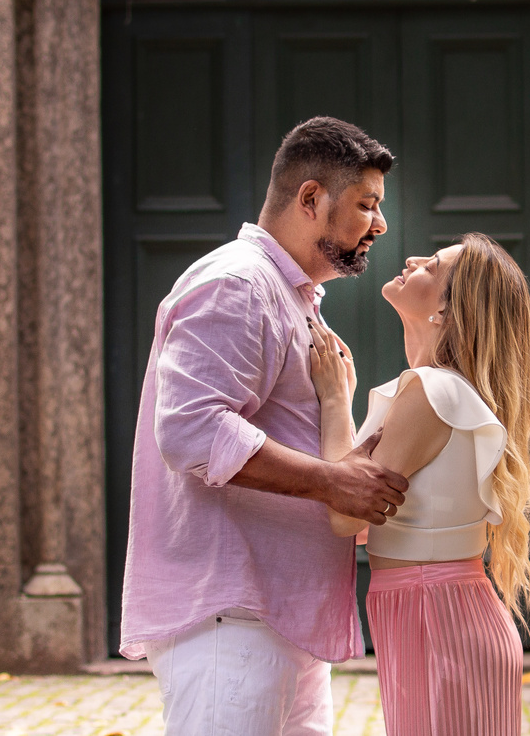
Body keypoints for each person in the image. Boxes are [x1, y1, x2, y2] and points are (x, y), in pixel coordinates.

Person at [120, 116, 409, 736]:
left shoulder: (289, 295)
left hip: (277, 617)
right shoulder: (238, 285)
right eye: (366, 205)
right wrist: (332, 483)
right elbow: (192, 431)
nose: (379, 225)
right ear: (311, 199)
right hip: (233, 617)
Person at [309, 233, 530, 736]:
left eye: (433, 265)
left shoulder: (432, 391)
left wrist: (336, 402)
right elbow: (369, 525)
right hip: (435, 614)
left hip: (436, 618)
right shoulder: (438, 390)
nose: (413, 259)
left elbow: (345, 515)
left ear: (446, 310)